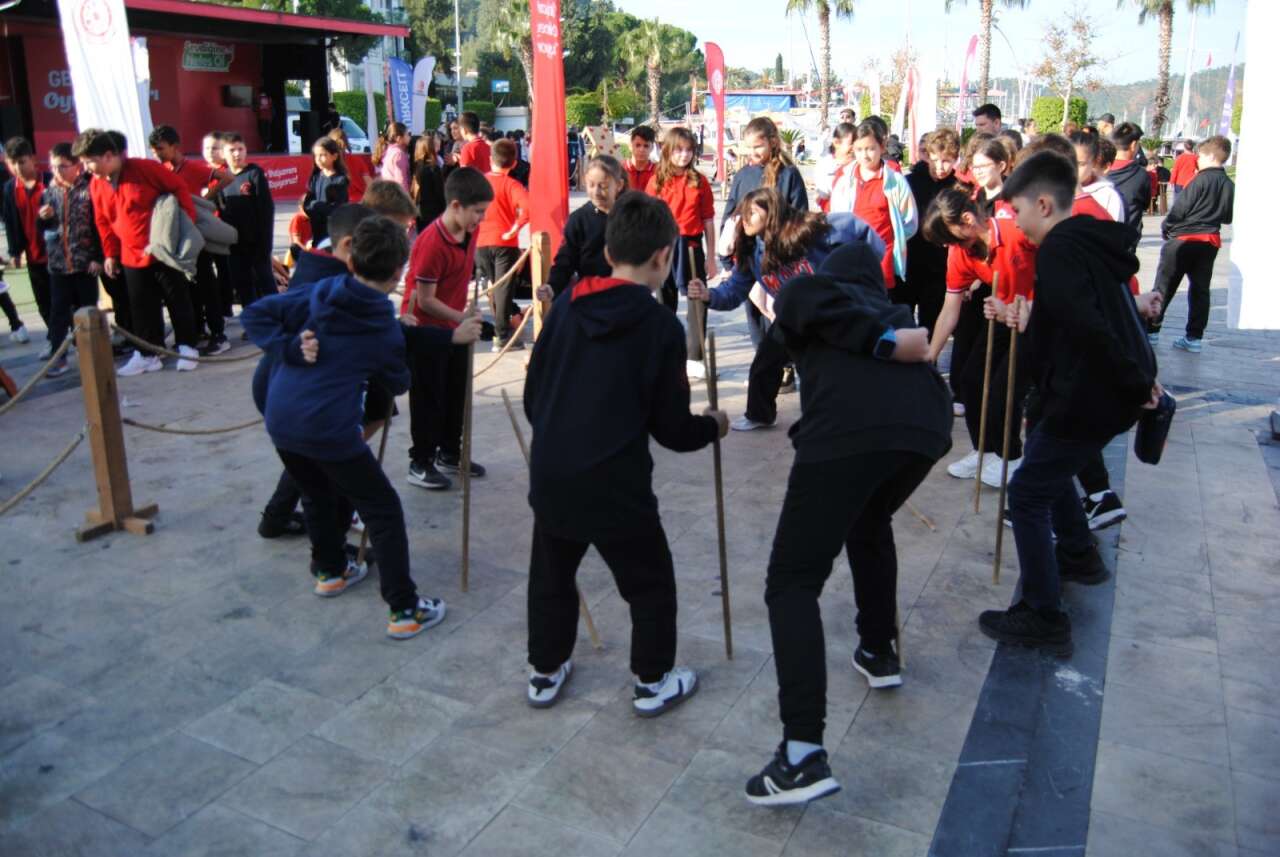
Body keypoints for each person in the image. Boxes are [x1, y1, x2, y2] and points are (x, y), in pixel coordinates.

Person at [743, 242, 950, 807]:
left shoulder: (815, 292)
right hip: (923, 436)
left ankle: (802, 753)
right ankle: (878, 649)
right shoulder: (886, 313)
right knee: (868, 522)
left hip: (846, 439)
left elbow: (794, 303)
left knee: (791, 583)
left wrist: (757, 404)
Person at [521, 190, 729, 713]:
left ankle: (544, 671)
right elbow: (671, 430)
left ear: (609, 254)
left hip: (553, 472)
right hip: (617, 484)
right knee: (649, 583)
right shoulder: (661, 326)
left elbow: (533, 395)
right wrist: (712, 426)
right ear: (664, 258)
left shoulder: (565, 306)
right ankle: (652, 681)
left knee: (551, 575)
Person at [979, 150, 1161, 656]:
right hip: (1088, 391)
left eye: (1017, 212)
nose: (1015, 223)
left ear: (1043, 203)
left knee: (1029, 493)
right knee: (1043, 465)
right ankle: (1079, 554)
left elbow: (1092, 328)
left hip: (1088, 397)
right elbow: (1081, 320)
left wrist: (1132, 380)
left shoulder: (1060, 250)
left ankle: (1043, 614)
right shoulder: (1081, 241)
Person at [243, 215, 452, 638]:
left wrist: (286, 347)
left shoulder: (322, 289)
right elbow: (397, 382)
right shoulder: (380, 323)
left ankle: (330, 570)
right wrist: (399, 344)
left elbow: (255, 315)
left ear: (350, 261)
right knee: (383, 509)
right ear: (399, 271)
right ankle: (404, 610)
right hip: (328, 428)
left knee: (318, 494)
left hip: (281, 420)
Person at [688, 188, 884, 431]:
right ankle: (760, 414)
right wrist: (708, 295)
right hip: (793, 317)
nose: (745, 219)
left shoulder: (810, 229)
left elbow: (858, 229)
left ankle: (853, 418)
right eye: (742, 213)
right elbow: (735, 290)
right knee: (765, 363)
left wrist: (866, 268)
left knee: (833, 371)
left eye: (752, 212)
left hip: (833, 311)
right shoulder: (751, 250)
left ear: (771, 213)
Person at [923, 183, 1037, 488]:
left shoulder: (1017, 231)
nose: (951, 246)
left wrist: (1030, 305)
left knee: (1004, 390)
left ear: (968, 220)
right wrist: (929, 358)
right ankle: (985, 451)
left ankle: (1011, 458)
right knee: (971, 381)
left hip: (1040, 319)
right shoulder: (962, 252)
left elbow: (1059, 271)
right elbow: (950, 309)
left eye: (951, 237)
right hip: (1002, 315)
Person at [76, 128, 201, 376]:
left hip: (163, 248)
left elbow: (179, 187)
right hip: (130, 254)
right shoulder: (96, 185)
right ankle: (147, 353)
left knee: (177, 298)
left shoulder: (145, 168)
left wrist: (185, 225)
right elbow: (103, 221)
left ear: (108, 155)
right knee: (141, 306)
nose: (86, 168)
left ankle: (188, 347)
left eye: (89, 161)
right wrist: (110, 254)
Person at [402, 167, 492, 491]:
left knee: (456, 392)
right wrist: (459, 317)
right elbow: (424, 301)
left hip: (454, 321)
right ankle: (420, 461)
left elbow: (460, 276)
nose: (480, 220)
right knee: (429, 397)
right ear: (455, 206)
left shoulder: (471, 231)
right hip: (425, 327)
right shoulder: (430, 243)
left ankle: (450, 454)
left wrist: (464, 312)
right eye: (477, 212)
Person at [1147, 135, 1234, 354]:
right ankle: (1194, 336)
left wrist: (1167, 225)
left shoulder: (1199, 180)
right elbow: (1228, 217)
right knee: (1200, 290)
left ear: (1211, 156)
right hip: (1210, 241)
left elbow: (1179, 209)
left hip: (1184, 239)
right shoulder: (1228, 184)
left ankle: (1152, 330)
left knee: (1165, 285)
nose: (1198, 160)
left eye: (1201, 155)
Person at [149, 125, 232, 352]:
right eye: (154, 150)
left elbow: (227, 177)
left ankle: (219, 334)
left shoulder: (193, 168)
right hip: (175, 236)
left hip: (197, 235)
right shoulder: (162, 170)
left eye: (160, 149)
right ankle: (197, 328)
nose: (156, 153)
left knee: (206, 283)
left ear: (175, 147)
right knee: (187, 286)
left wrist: (204, 200)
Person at [645, 126, 717, 377]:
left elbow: (708, 220)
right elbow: (648, 220)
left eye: (689, 150)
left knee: (697, 299)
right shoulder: (656, 181)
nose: (684, 155)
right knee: (664, 301)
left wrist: (711, 257)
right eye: (678, 150)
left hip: (691, 245)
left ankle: (695, 356)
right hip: (663, 246)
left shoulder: (700, 181)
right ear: (667, 151)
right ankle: (666, 353)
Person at [39, 143, 102, 377]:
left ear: (76, 166)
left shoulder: (90, 189)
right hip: (58, 264)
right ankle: (59, 358)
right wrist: (43, 218)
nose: (57, 171)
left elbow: (99, 225)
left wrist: (98, 256)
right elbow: (43, 230)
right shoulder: (48, 191)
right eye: (53, 166)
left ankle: (95, 354)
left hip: (85, 262)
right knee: (58, 313)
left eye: (63, 166)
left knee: (87, 310)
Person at [840, 119, 919, 294]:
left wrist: (896, 239)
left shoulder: (895, 181)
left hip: (883, 259)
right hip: (852, 257)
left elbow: (909, 221)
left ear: (881, 147)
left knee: (879, 308)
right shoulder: (845, 180)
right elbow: (837, 219)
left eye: (870, 148)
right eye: (859, 149)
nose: (865, 155)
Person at [902, 128, 962, 338]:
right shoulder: (909, 182)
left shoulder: (958, 187)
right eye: (935, 159)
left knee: (932, 321)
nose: (940, 167)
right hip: (910, 260)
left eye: (947, 161)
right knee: (903, 319)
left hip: (939, 266)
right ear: (927, 155)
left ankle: (928, 365)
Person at [542, 155, 625, 301]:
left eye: (603, 186)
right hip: (590, 297)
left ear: (618, 185)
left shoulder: (631, 217)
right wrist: (552, 286)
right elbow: (566, 259)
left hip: (624, 295)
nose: (596, 192)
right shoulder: (578, 220)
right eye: (591, 185)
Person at [476, 138, 530, 350]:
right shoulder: (512, 185)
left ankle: (501, 331)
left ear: (491, 159)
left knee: (493, 288)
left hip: (481, 242)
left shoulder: (480, 182)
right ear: (514, 163)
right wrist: (515, 228)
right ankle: (501, 336)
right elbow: (528, 208)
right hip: (504, 242)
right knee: (503, 289)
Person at [2, 137, 52, 354]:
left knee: (64, 301)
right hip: (32, 255)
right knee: (43, 303)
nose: (17, 168)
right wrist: (14, 251)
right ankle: (54, 339)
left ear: (33, 159)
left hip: (58, 255)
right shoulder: (9, 188)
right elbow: (12, 223)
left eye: (22, 162)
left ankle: (73, 339)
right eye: (13, 163)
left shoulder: (50, 181)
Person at [220, 133, 276, 310]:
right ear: (223, 153)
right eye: (232, 150)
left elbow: (266, 210)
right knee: (244, 285)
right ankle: (252, 321)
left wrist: (265, 243)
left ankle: (280, 317)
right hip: (234, 244)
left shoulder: (254, 174)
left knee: (265, 281)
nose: (237, 154)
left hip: (256, 242)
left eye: (240, 149)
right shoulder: (222, 178)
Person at [1107, 122, 1151, 252]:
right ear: (1133, 145)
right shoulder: (1141, 175)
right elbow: (1146, 203)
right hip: (1126, 241)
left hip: (1098, 239)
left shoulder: (1100, 170)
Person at [304, 137, 350, 247]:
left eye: (323, 155)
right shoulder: (315, 177)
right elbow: (307, 203)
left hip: (332, 231)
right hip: (316, 229)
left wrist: (316, 206)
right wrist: (312, 207)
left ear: (334, 156)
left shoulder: (340, 180)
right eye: (316, 156)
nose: (318, 159)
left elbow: (337, 209)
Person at [1070, 131, 1124, 222]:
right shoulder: (1052, 190)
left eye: (1080, 164)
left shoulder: (1109, 196)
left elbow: (1115, 233)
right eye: (1068, 160)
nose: (1073, 168)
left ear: (1094, 162)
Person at [411, 134, 446, 231]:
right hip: (433, 212)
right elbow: (440, 192)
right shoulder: (434, 168)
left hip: (419, 211)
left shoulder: (417, 167)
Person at [328, 127, 372, 202]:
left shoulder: (329, 162)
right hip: (360, 200)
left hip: (340, 204)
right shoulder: (357, 159)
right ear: (346, 141)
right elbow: (369, 183)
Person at [373, 121, 411, 193]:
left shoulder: (389, 151)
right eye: (407, 134)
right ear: (399, 138)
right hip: (398, 197)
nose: (409, 137)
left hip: (389, 194)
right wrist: (407, 199)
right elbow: (401, 181)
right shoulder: (399, 154)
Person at [623, 124, 656, 192]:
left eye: (646, 146)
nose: (641, 149)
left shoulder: (658, 171)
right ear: (630, 145)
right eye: (638, 145)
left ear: (652, 147)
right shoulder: (620, 169)